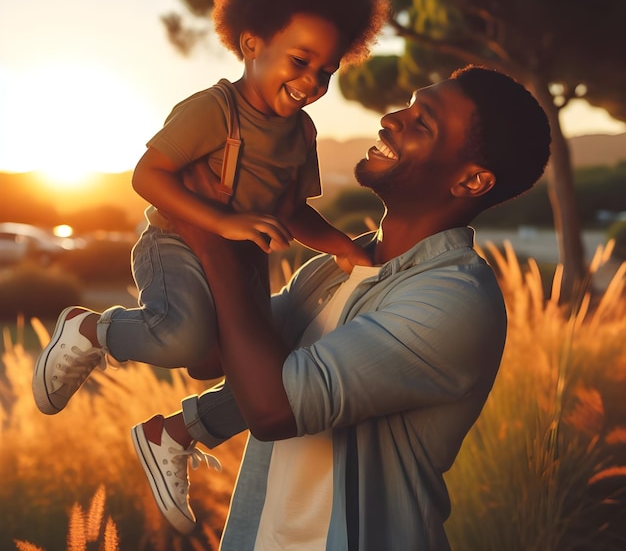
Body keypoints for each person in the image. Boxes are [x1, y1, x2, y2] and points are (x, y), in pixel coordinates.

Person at [130, 65, 552, 547]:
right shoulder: (336, 267)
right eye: (407, 106)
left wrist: (211, 236)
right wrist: (234, 213)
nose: (391, 118)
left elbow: (274, 410)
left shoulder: (454, 298)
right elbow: (209, 357)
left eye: (422, 123)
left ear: (471, 181)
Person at [32, 0, 390, 416]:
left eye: (326, 71)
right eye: (301, 60)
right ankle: (90, 329)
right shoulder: (214, 111)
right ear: (251, 43)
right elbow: (147, 176)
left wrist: (343, 246)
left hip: (240, 257)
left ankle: (176, 434)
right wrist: (223, 222)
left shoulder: (302, 133)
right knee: (181, 340)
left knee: (227, 363)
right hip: (175, 242)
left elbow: (292, 211)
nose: (311, 82)